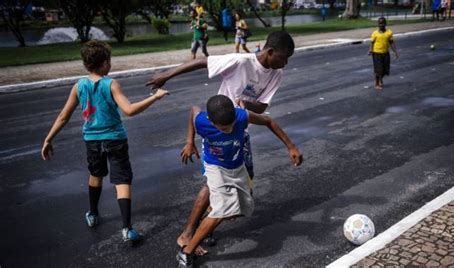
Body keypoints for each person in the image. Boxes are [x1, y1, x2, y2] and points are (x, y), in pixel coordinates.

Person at [146, 31, 295, 255]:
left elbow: (263, 108)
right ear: (271, 52)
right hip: (218, 131)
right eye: (284, 57)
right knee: (213, 184)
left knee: (242, 182)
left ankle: (208, 224)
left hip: (240, 133)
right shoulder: (240, 61)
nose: (286, 62)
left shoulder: (276, 74)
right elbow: (203, 61)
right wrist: (166, 75)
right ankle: (189, 233)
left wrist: (244, 104)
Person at [41, 40, 169, 244]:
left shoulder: (79, 85)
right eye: (109, 60)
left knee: (95, 174)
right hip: (115, 139)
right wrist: (156, 97)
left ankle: (92, 214)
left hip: (92, 140)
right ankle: (127, 229)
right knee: (122, 180)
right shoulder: (111, 84)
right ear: (103, 64)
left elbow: (63, 116)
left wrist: (48, 139)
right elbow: (129, 110)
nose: (110, 64)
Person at [176, 95, 303, 267]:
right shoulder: (202, 121)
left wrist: (291, 147)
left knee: (242, 208)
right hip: (215, 167)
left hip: (237, 165)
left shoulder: (242, 116)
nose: (229, 130)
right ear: (211, 122)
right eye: (223, 128)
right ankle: (186, 252)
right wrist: (190, 142)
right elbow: (193, 110)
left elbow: (268, 121)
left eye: (232, 126)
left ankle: (209, 220)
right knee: (223, 209)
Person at [368, 17, 399, 91]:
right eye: (380, 23)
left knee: (385, 69)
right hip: (376, 54)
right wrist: (370, 50)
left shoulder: (388, 33)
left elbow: (391, 42)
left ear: (385, 24)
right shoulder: (375, 33)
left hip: (385, 53)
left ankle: (380, 79)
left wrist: (395, 52)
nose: (381, 25)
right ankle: (377, 83)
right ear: (378, 24)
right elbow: (372, 43)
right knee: (378, 69)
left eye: (383, 23)